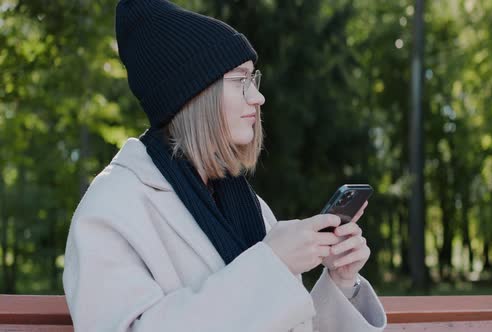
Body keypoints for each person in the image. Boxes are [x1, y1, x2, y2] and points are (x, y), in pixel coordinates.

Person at [62, 0, 387, 331]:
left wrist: (342, 282)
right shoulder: (111, 208)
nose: (258, 97)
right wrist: (273, 263)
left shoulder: (246, 203)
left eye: (254, 79)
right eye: (240, 79)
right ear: (194, 94)